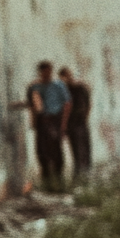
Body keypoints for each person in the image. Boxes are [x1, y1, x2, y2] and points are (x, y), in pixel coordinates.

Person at [26, 60, 71, 192]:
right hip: (42, 121)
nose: (47, 74)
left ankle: (59, 181)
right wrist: (34, 122)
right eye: (44, 72)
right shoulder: (35, 87)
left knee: (56, 150)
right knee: (42, 151)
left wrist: (63, 125)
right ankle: (47, 182)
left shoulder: (58, 85)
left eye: (49, 72)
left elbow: (67, 104)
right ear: (40, 72)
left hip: (55, 119)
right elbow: (32, 106)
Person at [59, 66, 92, 181]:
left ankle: (86, 172)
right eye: (64, 76)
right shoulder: (64, 91)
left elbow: (88, 105)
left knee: (85, 146)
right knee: (76, 148)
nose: (67, 78)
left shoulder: (80, 88)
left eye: (68, 75)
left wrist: (84, 118)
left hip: (80, 121)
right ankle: (78, 174)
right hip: (71, 123)